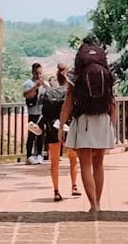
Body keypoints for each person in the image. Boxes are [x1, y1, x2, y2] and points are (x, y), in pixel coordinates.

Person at [59, 40, 117, 213]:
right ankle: (98, 202)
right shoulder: (106, 74)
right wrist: (111, 125)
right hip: (102, 119)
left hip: (84, 120)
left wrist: (61, 125)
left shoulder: (75, 76)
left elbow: (68, 101)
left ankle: (94, 205)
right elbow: (112, 102)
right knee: (98, 164)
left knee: (85, 164)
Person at [41, 71, 76, 201]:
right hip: (67, 127)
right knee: (73, 158)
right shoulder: (69, 92)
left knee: (54, 161)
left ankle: (56, 190)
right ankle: (74, 186)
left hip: (52, 127)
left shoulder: (49, 92)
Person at [22, 62, 46, 165]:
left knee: (41, 133)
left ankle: (39, 154)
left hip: (41, 112)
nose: (38, 75)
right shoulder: (28, 83)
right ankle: (29, 155)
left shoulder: (44, 84)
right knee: (31, 134)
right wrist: (36, 87)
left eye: (40, 73)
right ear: (32, 72)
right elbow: (26, 95)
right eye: (36, 73)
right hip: (33, 112)